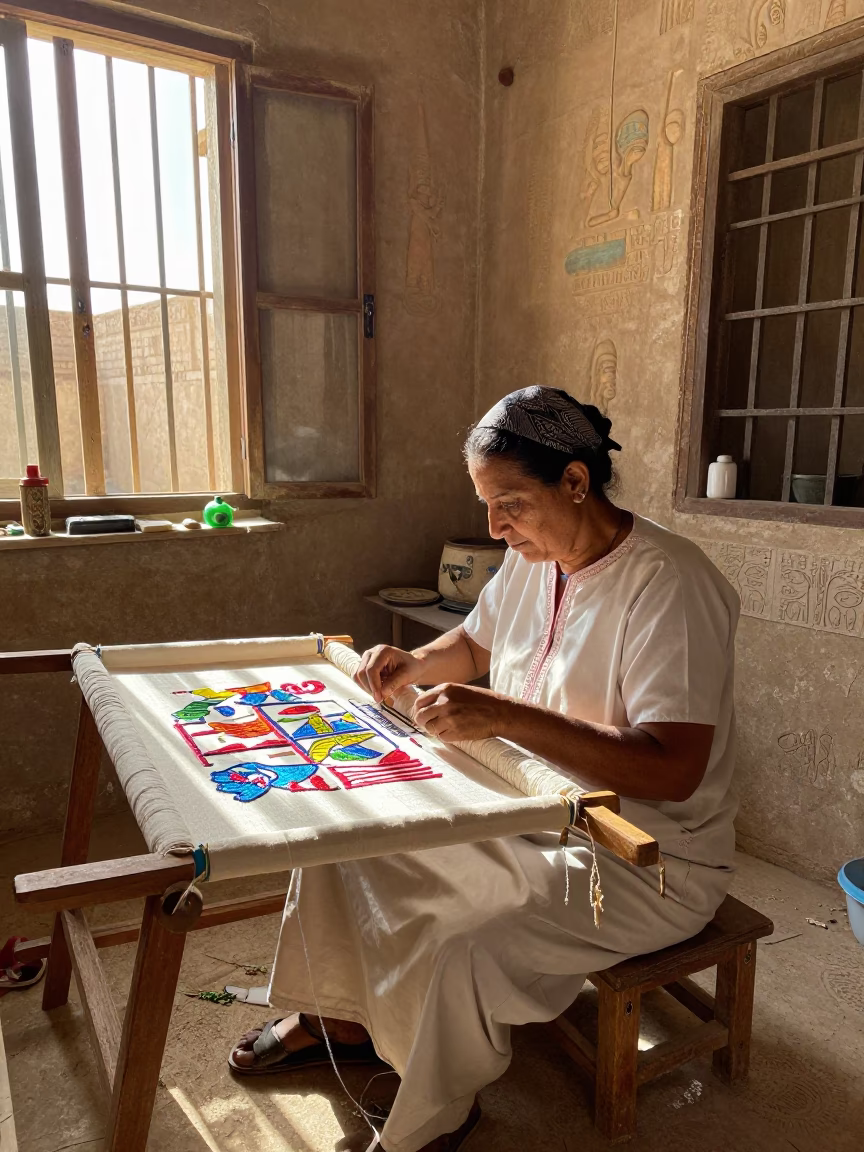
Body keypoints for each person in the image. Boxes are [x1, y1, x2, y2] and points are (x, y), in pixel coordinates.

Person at [229, 386, 740, 1152]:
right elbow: (471, 646)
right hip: (523, 803)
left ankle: (435, 1113)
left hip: (643, 855)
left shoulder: (669, 583)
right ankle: (339, 1013)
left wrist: (504, 716)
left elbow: (672, 771)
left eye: (510, 503)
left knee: (469, 935)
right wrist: (410, 663)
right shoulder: (536, 560)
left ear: (574, 481)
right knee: (347, 832)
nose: (495, 527)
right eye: (486, 504)